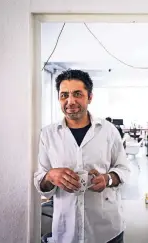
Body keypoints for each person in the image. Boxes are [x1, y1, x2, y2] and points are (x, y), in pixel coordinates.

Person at [34, 69, 130, 243]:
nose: (70, 101)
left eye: (77, 94)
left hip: (107, 231)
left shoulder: (108, 131)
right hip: (66, 232)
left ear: (90, 97)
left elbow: (123, 169)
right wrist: (50, 176)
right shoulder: (47, 135)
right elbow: (40, 181)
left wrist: (107, 179)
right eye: (64, 95)